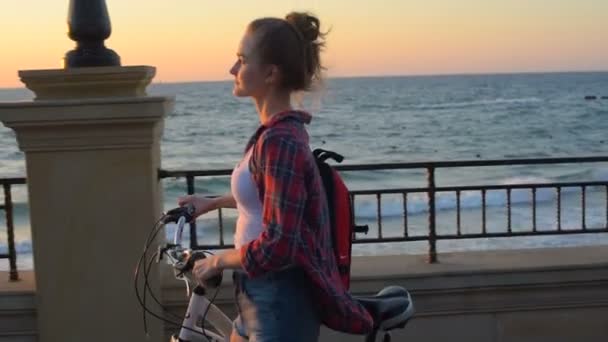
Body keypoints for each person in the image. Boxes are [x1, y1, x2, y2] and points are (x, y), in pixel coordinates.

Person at [177, 12, 374, 342]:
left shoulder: (279, 141)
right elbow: (269, 197)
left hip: (280, 301)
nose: (232, 70)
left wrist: (218, 262)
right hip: (257, 296)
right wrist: (211, 203)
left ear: (270, 73)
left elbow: (280, 244)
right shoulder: (273, 134)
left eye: (241, 60)